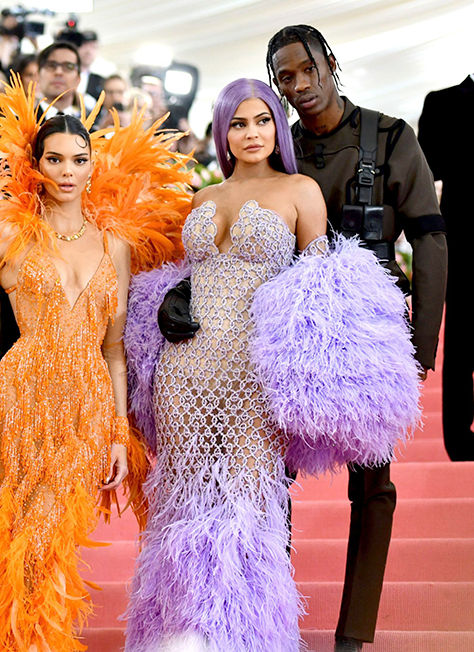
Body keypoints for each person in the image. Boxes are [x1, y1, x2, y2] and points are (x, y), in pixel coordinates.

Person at [0, 76, 191, 650]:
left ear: (93, 166)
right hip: (22, 399)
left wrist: (120, 431)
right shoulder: (6, 233)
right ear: (36, 165)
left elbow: (114, 348)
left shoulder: (114, 243)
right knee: (20, 539)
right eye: (55, 159)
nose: (67, 170)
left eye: (78, 159)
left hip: (89, 404)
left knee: (56, 540)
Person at [125, 78, 329, 652]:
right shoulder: (203, 198)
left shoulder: (300, 190)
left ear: (278, 127)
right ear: (222, 131)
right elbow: (186, 277)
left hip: (250, 370)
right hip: (184, 372)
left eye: (262, 120)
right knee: (185, 504)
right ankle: (183, 633)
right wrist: (172, 296)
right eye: (238, 123)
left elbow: (318, 289)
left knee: (245, 507)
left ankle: (242, 638)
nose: (251, 133)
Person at [266, 26, 447, 652]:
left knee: (373, 485)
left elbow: (429, 236)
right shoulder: (274, 146)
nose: (299, 85)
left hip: (371, 336)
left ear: (330, 64)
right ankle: (269, 616)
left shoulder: (393, 136)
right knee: (268, 478)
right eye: (284, 77)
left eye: (306, 69)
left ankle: (353, 634)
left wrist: (421, 347)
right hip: (290, 336)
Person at [419, 76, 473, 461]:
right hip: (465, 238)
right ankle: (459, 438)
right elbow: (428, 167)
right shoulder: (445, 103)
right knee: (462, 335)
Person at [36, 41, 95, 120]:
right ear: (38, 76)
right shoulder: (18, 126)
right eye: (51, 65)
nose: (58, 72)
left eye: (68, 67)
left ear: (78, 79)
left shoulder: (88, 129)